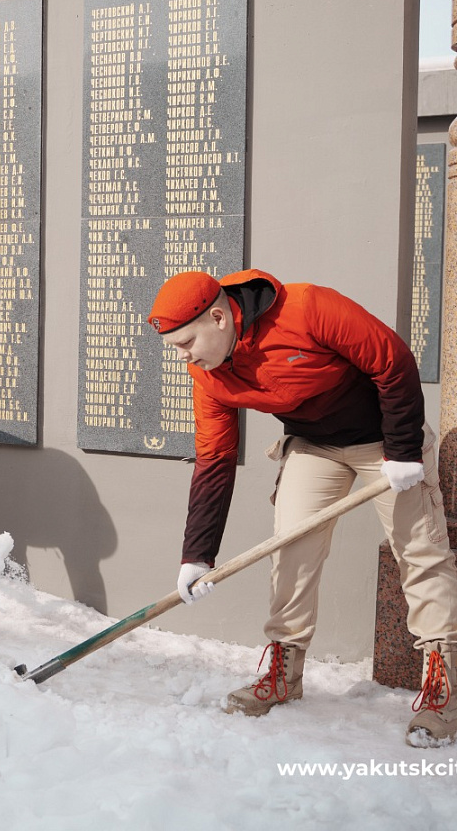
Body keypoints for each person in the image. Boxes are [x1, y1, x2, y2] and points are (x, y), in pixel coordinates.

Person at [149, 268, 457, 746]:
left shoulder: (309, 308)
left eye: (187, 343)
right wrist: (197, 555)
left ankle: (443, 687)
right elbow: (215, 458)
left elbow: (392, 361)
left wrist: (402, 451)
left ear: (217, 316)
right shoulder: (207, 373)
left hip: (385, 441)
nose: (184, 356)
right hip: (313, 446)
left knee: (420, 552)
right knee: (290, 551)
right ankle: (283, 673)